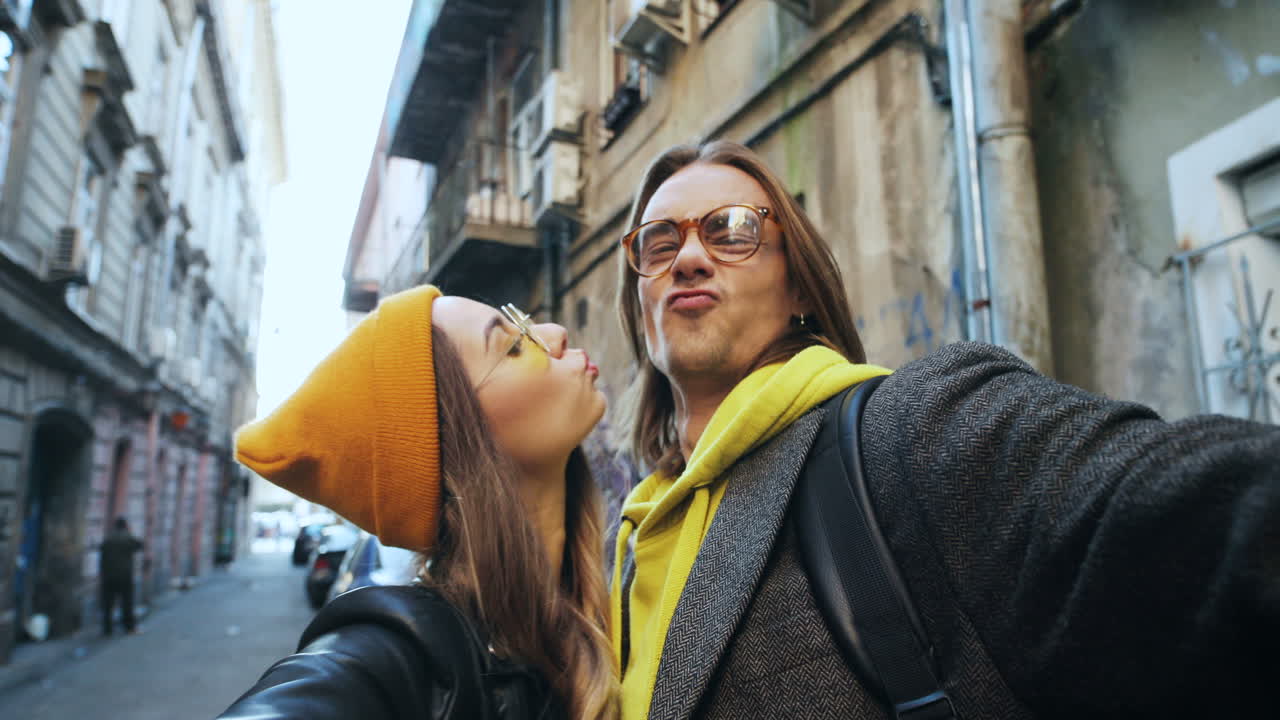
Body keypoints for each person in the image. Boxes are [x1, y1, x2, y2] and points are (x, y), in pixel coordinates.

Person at [609, 139, 1280, 719]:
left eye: (731, 231)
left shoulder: (909, 430)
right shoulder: (629, 542)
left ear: (801, 288)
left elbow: (1176, 508)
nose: (688, 258)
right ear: (639, 302)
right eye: (660, 242)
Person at [219, 285, 616, 720]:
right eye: (514, 346)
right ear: (457, 444)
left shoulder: (610, 606)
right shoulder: (396, 656)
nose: (555, 333)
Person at [99, 516, 143, 636]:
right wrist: (130, 532)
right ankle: (129, 627)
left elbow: (102, 554)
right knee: (127, 602)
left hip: (109, 576)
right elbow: (139, 545)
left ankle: (107, 629)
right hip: (125, 576)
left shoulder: (108, 538)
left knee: (108, 604)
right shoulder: (127, 537)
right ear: (126, 526)